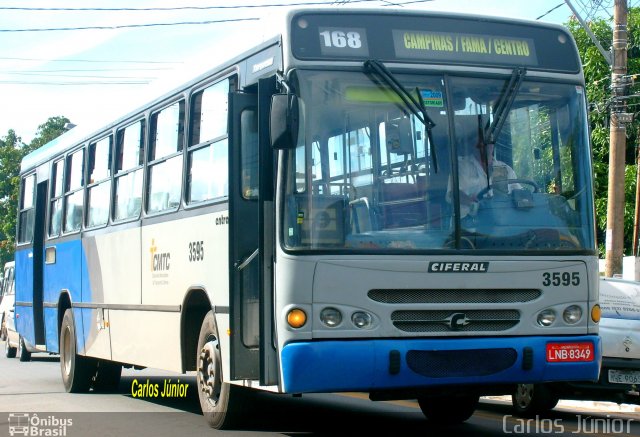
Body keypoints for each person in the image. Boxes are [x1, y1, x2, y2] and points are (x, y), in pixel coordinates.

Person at [446, 120, 520, 220]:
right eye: (482, 141)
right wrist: (471, 202)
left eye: (489, 140)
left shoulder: (505, 169)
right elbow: (452, 194)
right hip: (467, 227)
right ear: (474, 145)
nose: (486, 145)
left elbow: (518, 193)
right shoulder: (461, 166)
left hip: (502, 226)